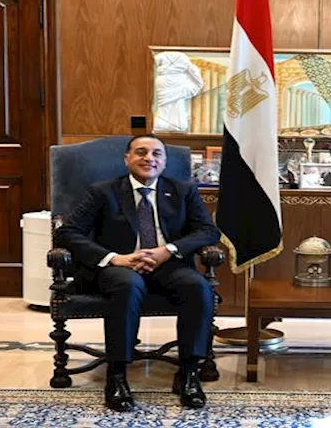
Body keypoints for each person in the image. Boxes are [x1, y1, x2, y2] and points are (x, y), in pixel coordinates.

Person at [56, 134, 220, 412]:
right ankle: (117, 375)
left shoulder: (182, 190)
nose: (149, 158)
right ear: (127, 159)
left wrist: (168, 250)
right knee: (128, 285)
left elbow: (208, 231)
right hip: (119, 267)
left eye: (156, 154)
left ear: (165, 162)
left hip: (168, 265)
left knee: (197, 286)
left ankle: (188, 373)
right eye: (141, 152)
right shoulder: (102, 191)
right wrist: (115, 258)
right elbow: (68, 233)